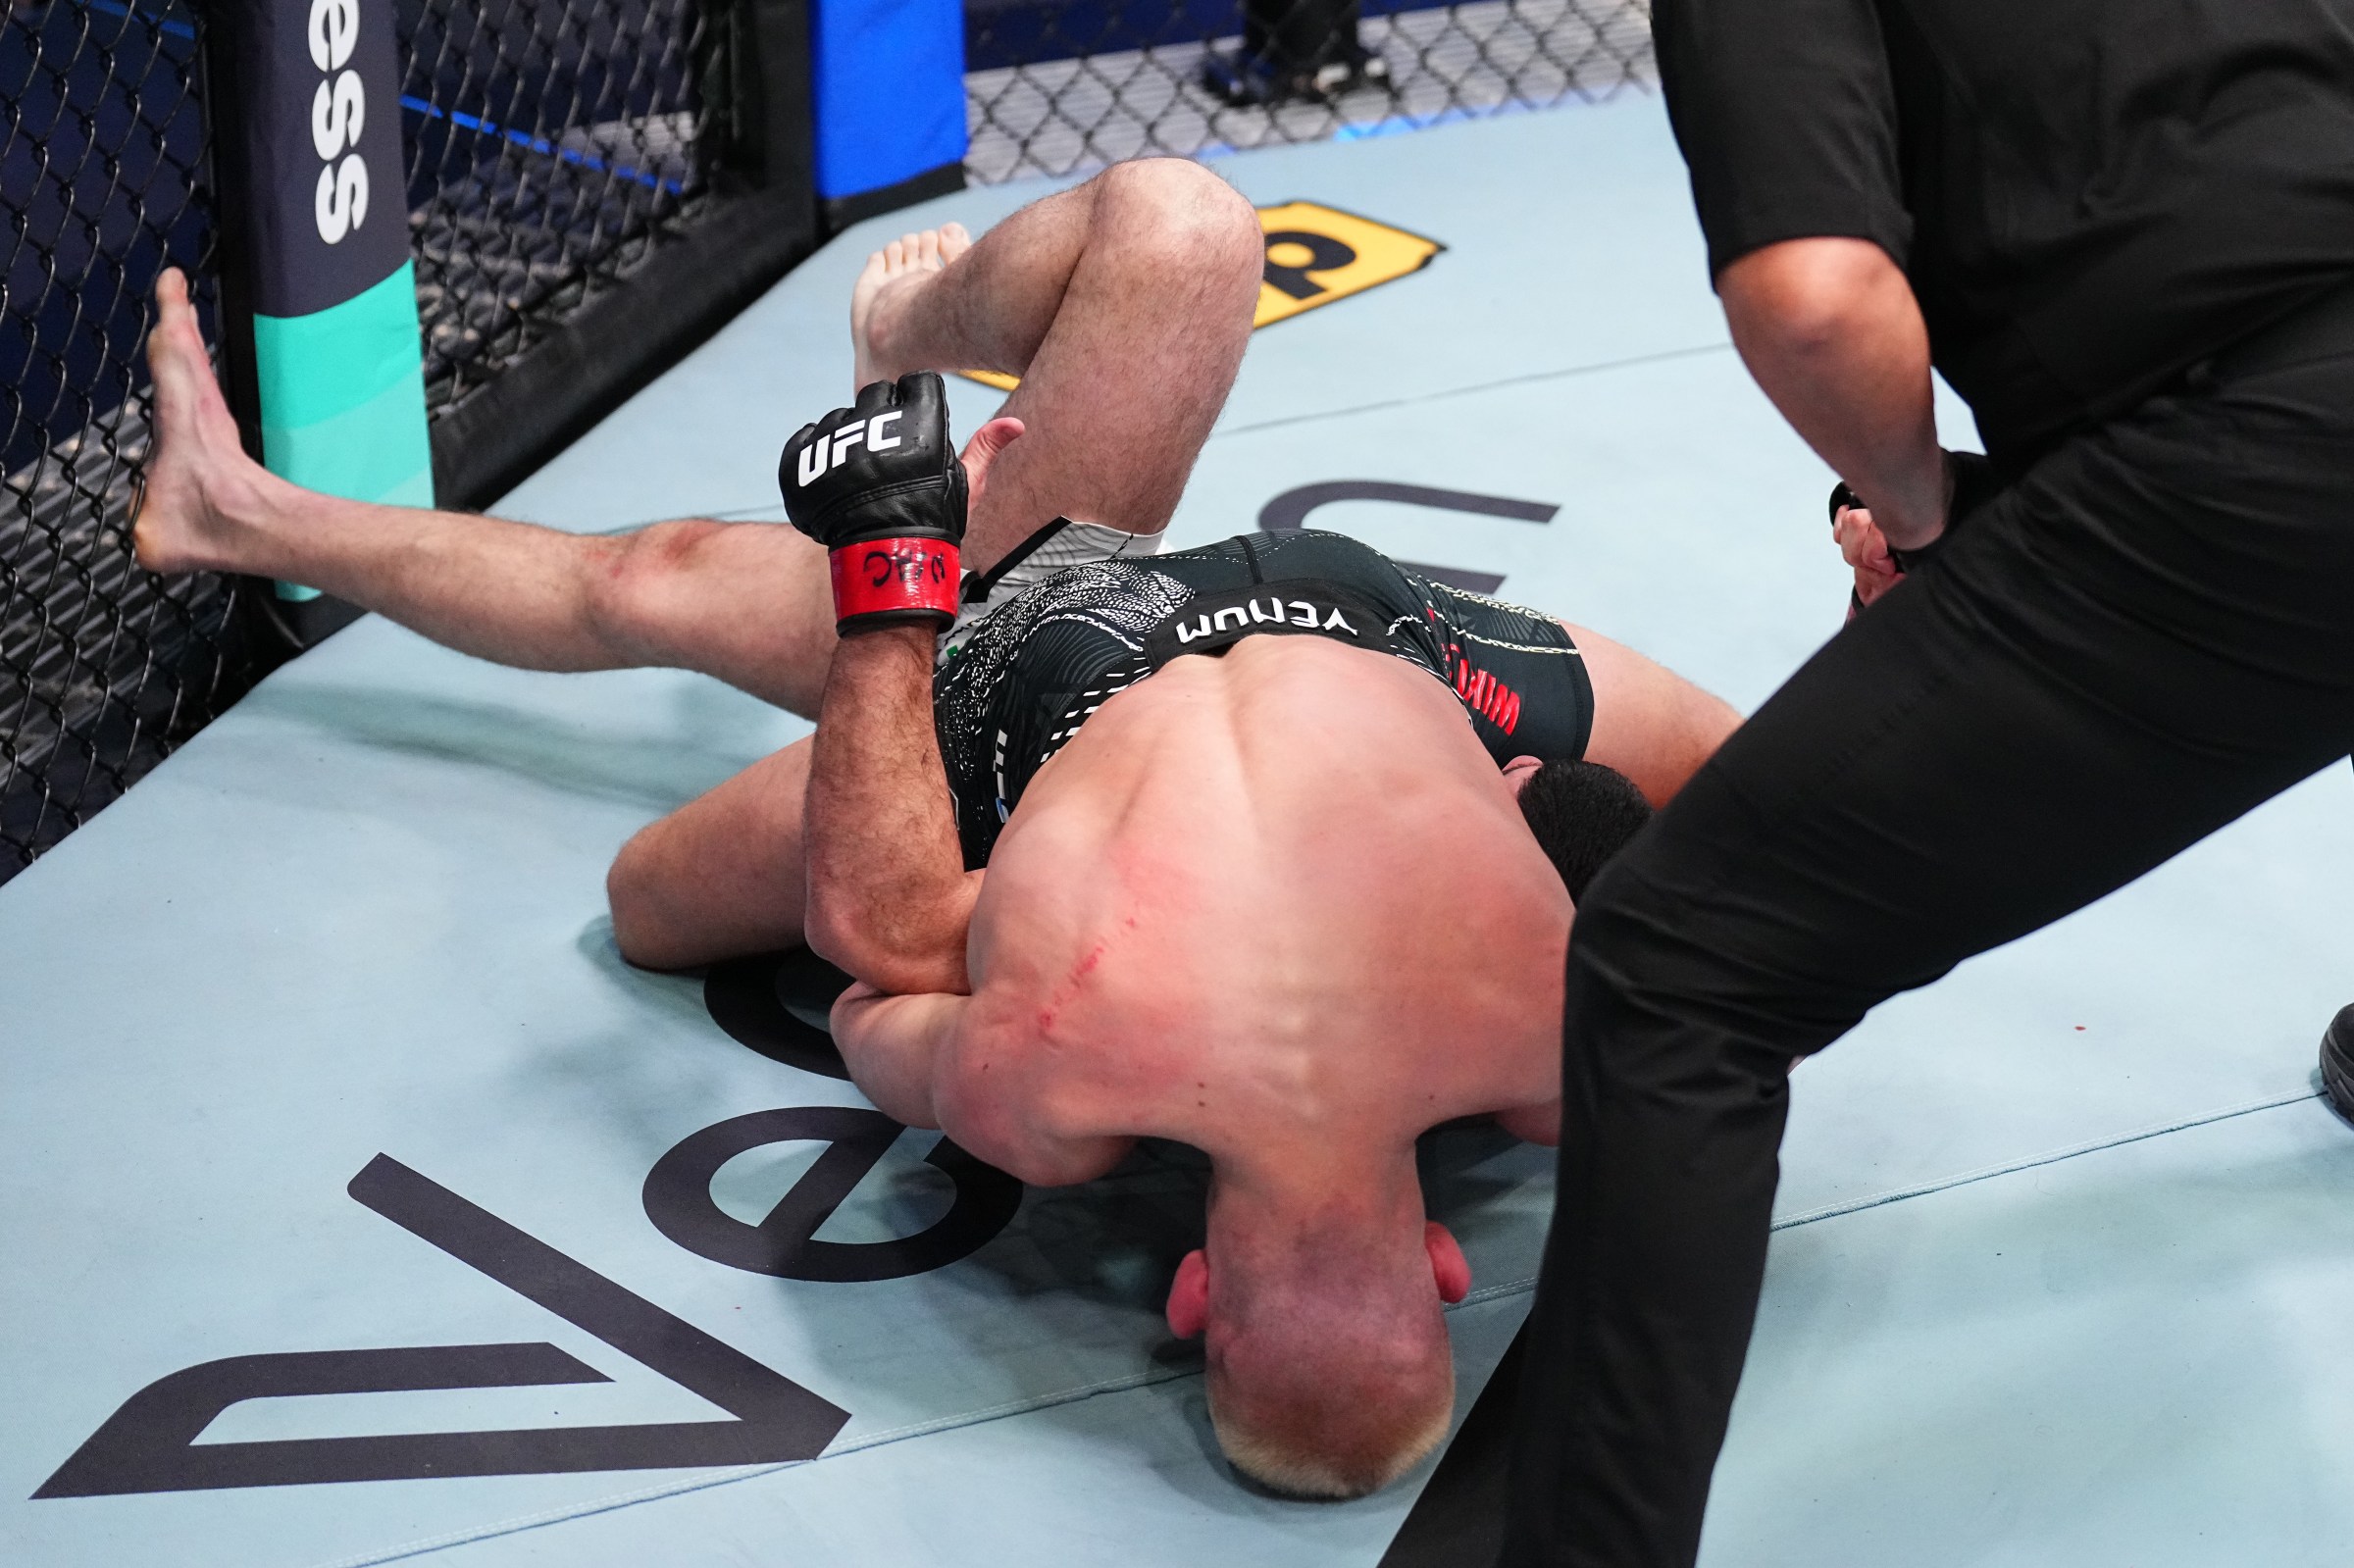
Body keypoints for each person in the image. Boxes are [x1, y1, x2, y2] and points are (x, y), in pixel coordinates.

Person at [134, 157, 1737, 1496]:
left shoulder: (1575, 1057)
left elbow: (1741, 864)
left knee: (1180, 228)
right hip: (1040, 682)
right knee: (700, 805)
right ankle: (906, 343)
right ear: (1192, 1299)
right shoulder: (1051, 1089)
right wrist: (894, 600)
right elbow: (869, 970)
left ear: (1446, 1281)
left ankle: (232, 510)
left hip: (1311, 626)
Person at [1495, 2, 2354, 1562]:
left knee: (1680, 967)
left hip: (2267, 447)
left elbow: (1817, 300)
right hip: (2281, 396)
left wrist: (1926, 510)